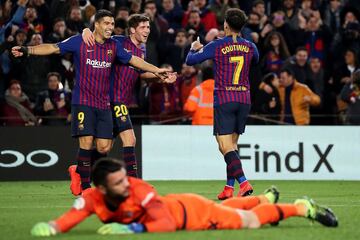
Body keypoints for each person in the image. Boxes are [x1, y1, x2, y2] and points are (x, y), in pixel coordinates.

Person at [11, 9, 171, 196]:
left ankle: (79, 170)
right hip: (84, 100)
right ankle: (87, 188)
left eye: (112, 24)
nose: (110, 27)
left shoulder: (114, 45)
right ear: (96, 25)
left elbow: (134, 61)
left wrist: (158, 71)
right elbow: (53, 47)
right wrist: (27, 50)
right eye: (106, 24)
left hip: (104, 103)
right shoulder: (83, 41)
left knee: (104, 147)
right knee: (88, 142)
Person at [30, 158, 338, 237]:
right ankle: (263, 200)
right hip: (189, 206)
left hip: (193, 213)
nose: (127, 184)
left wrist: (134, 229)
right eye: (119, 182)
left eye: (125, 178)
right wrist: (53, 227)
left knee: (250, 223)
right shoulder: (91, 197)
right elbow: (72, 216)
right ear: (102, 188)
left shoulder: (141, 189)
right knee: (230, 209)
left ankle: (300, 207)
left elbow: (163, 222)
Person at [81, 14, 176, 178]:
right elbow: (99, 35)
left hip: (122, 100)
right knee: (130, 140)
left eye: (148, 27)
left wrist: (160, 77)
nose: (147, 30)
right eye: (143, 27)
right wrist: (85, 30)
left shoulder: (142, 50)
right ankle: (134, 183)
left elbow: (141, 74)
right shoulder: (118, 41)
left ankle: (79, 170)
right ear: (132, 30)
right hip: (111, 99)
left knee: (104, 147)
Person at [185, 8, 259, 199]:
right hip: (243, 99)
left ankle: (243, 182)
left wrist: (194, 47)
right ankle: (228, 188)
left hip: (225, 99)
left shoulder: (217, 45)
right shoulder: (251, 46)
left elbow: (190, 61)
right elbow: (256, 61)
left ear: (225, 24)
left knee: (224, 146)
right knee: (230, 145)